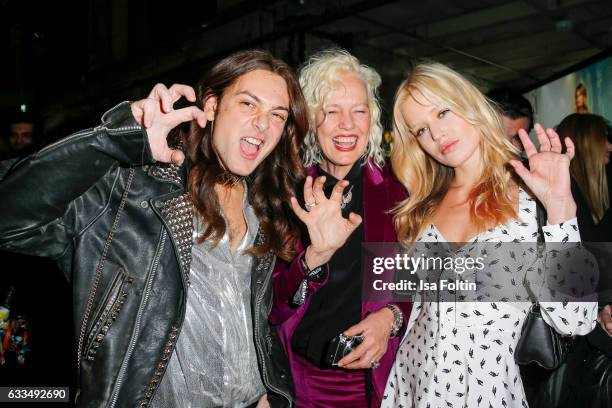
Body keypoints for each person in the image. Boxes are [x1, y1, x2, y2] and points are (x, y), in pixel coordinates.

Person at [0, 50, 309, 408]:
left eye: (277, 115)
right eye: (248, 104)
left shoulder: (264, 206)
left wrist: (266, 389)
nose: (262, 124)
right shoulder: (131, 190)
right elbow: (10, 221)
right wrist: (112, 138)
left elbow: (253, 320)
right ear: (210, 106)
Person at [382, 62, 598, 407]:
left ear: (468, 103)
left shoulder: (529, 194)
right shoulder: (419, 209)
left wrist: (560, 208)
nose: (436, 135)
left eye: (443, 113)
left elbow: (575, 320)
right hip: (416, 387)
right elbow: (415, 310)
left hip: (495, 391)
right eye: (420, 130)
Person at [269, 50, 411, 407]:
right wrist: (313, 258)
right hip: (299, 385)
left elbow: (425, 278)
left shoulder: (396, 192)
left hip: (376, 385)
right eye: (331, 111)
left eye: (358, 111)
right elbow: (271, 307)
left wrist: (391, 316)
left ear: (372, 119)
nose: (347, 125)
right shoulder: (287, 195)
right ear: (311, 120)